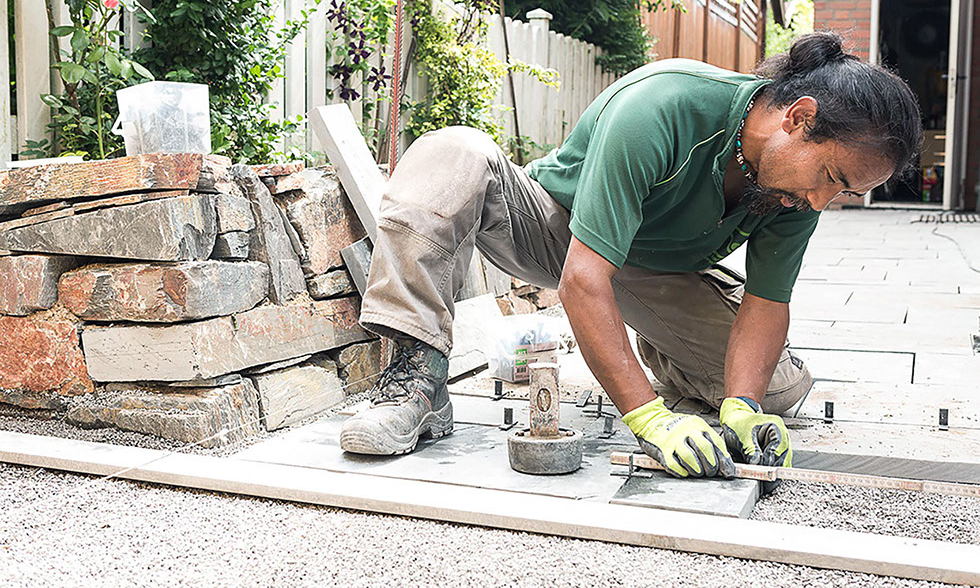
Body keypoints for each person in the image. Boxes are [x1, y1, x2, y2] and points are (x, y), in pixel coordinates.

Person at [338, 32, 922, 478]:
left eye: (842, 193)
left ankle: (662, 356)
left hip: (657, 272)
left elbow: (767, 302)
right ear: (799, 119)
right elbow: (583, 279)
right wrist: (645, 416)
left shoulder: (791, 193)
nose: (822, 201)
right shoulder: (664, 107)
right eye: (830, 177)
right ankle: (416, 382)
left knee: (778, 394)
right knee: (451, 151)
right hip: (554, 228)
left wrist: (742, 405)